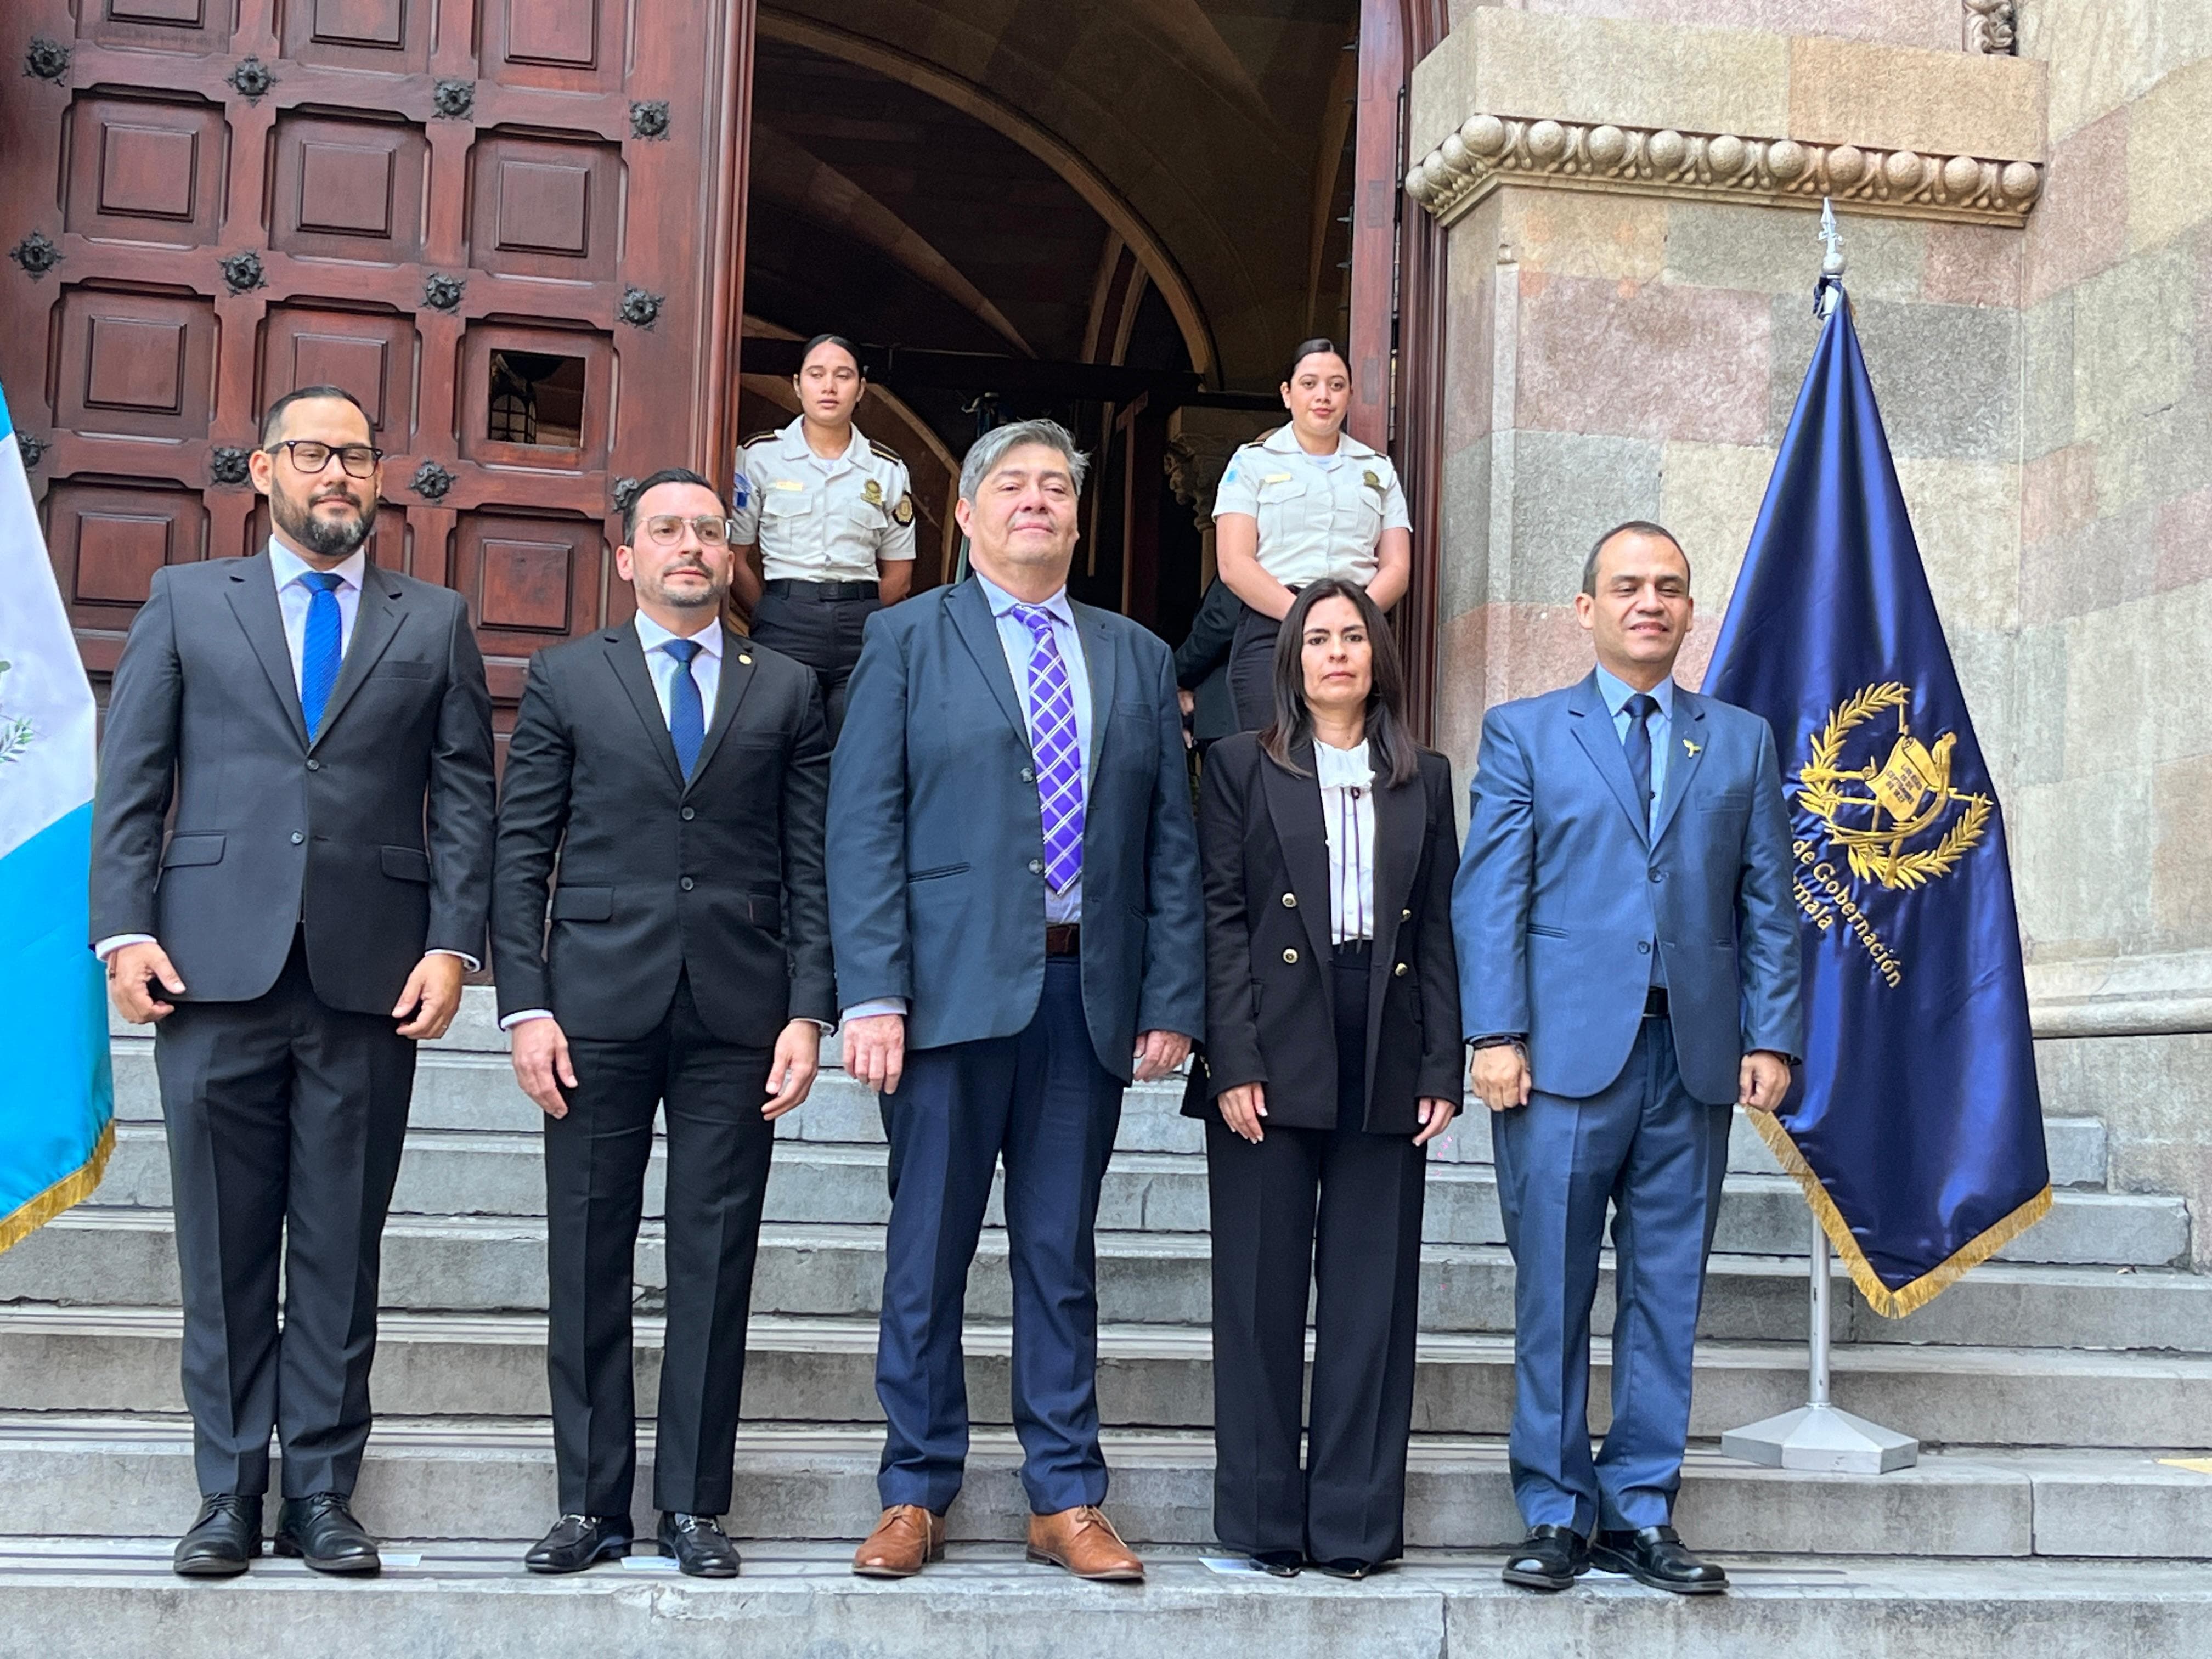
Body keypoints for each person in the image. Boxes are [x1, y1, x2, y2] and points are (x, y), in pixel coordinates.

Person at [90, 385, 496, 1577]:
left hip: (373, 975)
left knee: (337, 1247)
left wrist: (453, 943)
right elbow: (134, 776)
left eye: (356, 457)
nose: (337, 475)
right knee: (222, 1248)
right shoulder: (185, 600)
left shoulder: (435, 621)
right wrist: (123, 930)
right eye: (313, 453)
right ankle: (227, 1491)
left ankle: (321, 1491)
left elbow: (466, 797)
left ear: (379, 478)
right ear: (263, 469)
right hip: (208, 967)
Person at [828, 417, 1204, 1583]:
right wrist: (871, 990)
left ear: (1078, 519)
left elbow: (1170, 842)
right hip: (942, 1000)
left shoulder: (1137, 656)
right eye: (1012, 484)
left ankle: (1066, 1495)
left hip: (1082, 996)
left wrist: (1170, 993)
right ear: (965, 511)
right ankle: (913, 1489)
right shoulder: (904, 640)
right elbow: (863, 822)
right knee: (926, 1252)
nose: (1035, 500)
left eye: (1055, 486)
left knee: (1059, 1254)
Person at [490, 468, 833, 1578]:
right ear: (627, 555)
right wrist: (525, 1005)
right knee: (587, 1251)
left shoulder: (786, 687)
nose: (691, 545)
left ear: (731, 556)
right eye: (667, 530)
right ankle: (590, 1504)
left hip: (741, 1009)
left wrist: (809, 1008)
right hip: (593, 1004)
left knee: (715, 1259)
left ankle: (692, 1502)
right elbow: (520, 849)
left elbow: (811, 860)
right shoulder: (566, 676)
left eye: (708, 530)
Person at [1452, 521, 1802, 1595]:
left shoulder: (1738, 740)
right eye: (1627, 586)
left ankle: (1640, 1507)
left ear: (1690, 610)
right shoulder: (1524, 732)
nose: (1649, 602)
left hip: (1691, 1061)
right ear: (1586, 608)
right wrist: (1493, 1033)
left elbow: (1769, 902)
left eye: (1669, 587)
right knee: (1553, 1291)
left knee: (1666, 1293)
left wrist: (1770, 1033)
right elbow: (1491, 893)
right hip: (1558, 1061)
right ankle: (1556, 1508)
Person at [1186, 578, 1462, 1579]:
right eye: (1317, 638)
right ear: (1291, 661)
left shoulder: (1425, 776)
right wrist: (1231, 1056)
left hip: (1387, 1036)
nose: (1336, 652)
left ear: (1377, 656)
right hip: (1271, 1039)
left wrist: (1442, 1063)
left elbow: (1439, 926)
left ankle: (1353, 1526)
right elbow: (1220, 916)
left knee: (1369, 1298)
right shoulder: (1236, 764)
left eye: (1353, 636)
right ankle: (1263, 1519)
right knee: (1259, 1292)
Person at [1211, 345, 1411, 731]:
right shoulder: (1252, 462)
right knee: (1272, 749)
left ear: (1350, 395)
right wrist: (1305, 616)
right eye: (1309, 384)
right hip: (1275, 623)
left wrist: (1353, 618)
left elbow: (1397, 567)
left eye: (1337, 385)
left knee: (1356, 747)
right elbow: (1234, 564)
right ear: (1287, 394)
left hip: (1358, 624)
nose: (1324, 395)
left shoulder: (1378, 469)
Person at [729, 334, 917, 737]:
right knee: (780, 740)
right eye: (817, 375)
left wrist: (862, 615)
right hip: (784, 621)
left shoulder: (886, 469)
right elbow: (734, 559)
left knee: (858, 743)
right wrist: (770, 611)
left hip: (861, 624)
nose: (829, 387)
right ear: (798, 385)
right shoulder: (760, 457)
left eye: (843, 376)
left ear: (861, 389)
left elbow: (900, 575)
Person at [1172, 576, 1242, 754]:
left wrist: (1174, 674)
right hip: (1235, 718)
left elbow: (1221, 623)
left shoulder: (1244, 565)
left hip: (1229, 716)